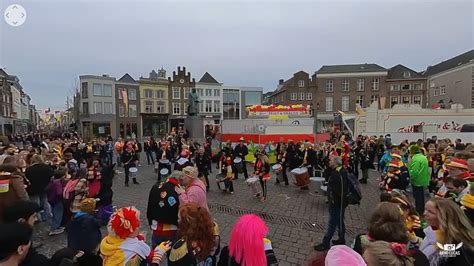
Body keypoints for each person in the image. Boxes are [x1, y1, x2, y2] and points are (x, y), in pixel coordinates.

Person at [100, 206, 169, 265]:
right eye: (138, 225)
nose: (140, 226)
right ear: (130, 231)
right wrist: (159, 251)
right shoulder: (133, 256)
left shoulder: (108, 241)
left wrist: (138, 239)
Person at [420, 197, 474, 266]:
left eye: (430, 212)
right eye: (425, 209)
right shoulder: (431, 232)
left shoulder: (455, 244)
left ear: (444, 217)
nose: (425, 213)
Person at [314, 156, 349, 251]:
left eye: (331, 160)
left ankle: (325, 243)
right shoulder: (337, 171)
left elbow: (341, 190)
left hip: (337, 203)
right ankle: (341, 239)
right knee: (339, 221)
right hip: (338, 202)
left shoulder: (339, 174)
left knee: (332, 223)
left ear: (336, 163)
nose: (329, 161)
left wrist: (332, 198)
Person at [147, 174, 180, 248]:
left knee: (155, 254)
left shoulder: (155, 187)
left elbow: (150, 206)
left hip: (156, 227)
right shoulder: (178, 190)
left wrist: (150, 221)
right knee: (171, 255)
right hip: (172, 228)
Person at [25, 154, 55, 222]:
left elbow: (27, 179)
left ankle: (37, 218)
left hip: (33, 189)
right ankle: (47, 216)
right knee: (45, 202)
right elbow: (52, 177)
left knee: (36, 204)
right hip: (45, 187)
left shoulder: (29, 169)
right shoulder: (47, 167)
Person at [408, 145, 430, 215]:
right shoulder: (423, 157)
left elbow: (414, 171)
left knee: (418, 197)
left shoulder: (415, 158)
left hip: (417, 180)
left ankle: (419, 211)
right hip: (423, 179)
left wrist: (410, 178)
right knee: (421, 196)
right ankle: (421, 209)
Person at [47, 168, 66, 236]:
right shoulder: (58, 183)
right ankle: (54, 228)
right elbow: (59, 193)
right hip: (57, 201)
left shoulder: (52, 181)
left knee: (55, 214)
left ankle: (55, 226)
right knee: (58, 214)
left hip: (51, 200)